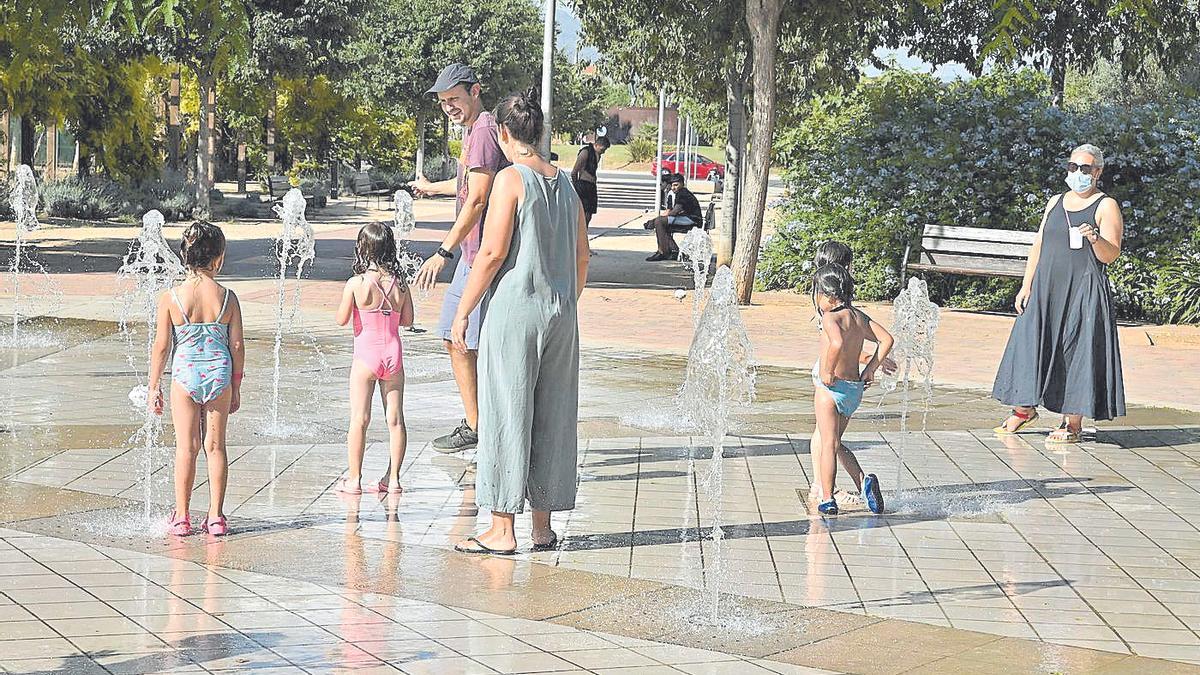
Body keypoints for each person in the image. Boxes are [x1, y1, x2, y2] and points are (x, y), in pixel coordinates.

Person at [449, 87, 590, 554]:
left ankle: (502, 527)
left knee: (507, 411)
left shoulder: (512, 179)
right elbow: (583, 255)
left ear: (505, 133)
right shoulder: (567, 185)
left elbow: (490, 253)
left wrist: (464, 311)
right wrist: (565, 298)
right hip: (562, 314)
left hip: (516, 312)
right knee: (552, 415)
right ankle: (542, 527)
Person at [992, 143, 1126, 442]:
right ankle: (1024, 408)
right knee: (1031, 344)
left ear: (1098, 172)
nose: (1078, 173)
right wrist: (1027, 285)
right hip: (1046, 288)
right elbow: (1039, 244)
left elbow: (1110, 254)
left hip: (1083, 289)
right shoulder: (1055, 201)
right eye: (1073, 167)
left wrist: (1094, 238)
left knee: (1077, 350)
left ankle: (1072, 422)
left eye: (1085, 169)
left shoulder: (1106, 205)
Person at [411, 63, 510, 453]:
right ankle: (479, 422)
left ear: (476, 90)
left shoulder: (484, 128)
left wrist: (442, 251)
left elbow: (479, 198)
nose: (448, 107)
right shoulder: (474, 131)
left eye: (454, 99)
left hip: (480, 256)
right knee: (457, 339)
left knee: (465, 338)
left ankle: (481, 425)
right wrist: (433, 188)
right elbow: (470, 182)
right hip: (473, 254)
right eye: (443, 102)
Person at [148, 221, 244, 537]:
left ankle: (183, 517)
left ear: (185, 256)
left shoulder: (172, 298)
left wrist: (153, 386)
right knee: (215, 447)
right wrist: (236, 385)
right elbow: (237, 346)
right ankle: (216, 517)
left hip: (185, 376)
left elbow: (162, 346)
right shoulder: (228, 298)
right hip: (219, 376)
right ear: (218, 258)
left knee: (186, 448)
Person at [809, 241, 896, 511]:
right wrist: (870, 367)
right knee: (832, 441)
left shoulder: (829, 316)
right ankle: (862, 482)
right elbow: (885, 339)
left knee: (827, 442)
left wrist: (826, 371)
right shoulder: (857, 315)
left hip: (830, 385)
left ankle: (826, 495)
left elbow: (835, 344)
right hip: (854, 387)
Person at [334, 223, 415, 495]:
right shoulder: (400, 283)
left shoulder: (356, 283)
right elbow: (408, 320)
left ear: (363, 247)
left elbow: (341, 319)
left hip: (365, 356)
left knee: (359, 419)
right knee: (396, 420)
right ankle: (392, 480)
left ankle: (354, 480)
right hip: (393, 354)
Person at [644, 173, 702, 261]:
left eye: (676, 185)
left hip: (693, 220)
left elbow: (675, 211)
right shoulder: (681, 192)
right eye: (672, 185)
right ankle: (675, 251)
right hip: (689, 218)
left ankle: (662, 252)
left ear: (682, 184)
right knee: (662, 224)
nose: (673, 187)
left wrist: (654, 221)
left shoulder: (682, 194)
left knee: (659, 222)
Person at [571, 136, 610, 225]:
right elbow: (574, 171)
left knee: (589, 213)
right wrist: (576, 186)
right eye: (602, 149)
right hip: (583, 185)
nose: (603, 152)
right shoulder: (585, 153)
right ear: (596, 145)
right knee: (583, 213)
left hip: (591, 186)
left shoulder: (598, 155)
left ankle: (585, 231)